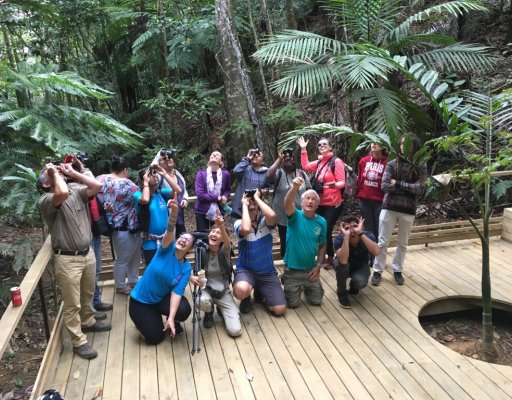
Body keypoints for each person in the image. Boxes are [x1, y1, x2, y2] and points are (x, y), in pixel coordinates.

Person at [38, 161, 111, 360]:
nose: (57, 170)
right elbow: (61, 193)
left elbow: (97, 186)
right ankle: (78, 341)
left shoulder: (75, 190)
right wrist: (54, 173)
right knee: (72, 304)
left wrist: (76, 170)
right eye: (49, 173)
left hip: (87, 253)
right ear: (46, 184)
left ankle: (88, 322)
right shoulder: (46, 200)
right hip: (67, 259)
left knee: (87, 294)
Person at [129, 199, 193, 344]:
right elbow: (169, 231)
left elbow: (177, 293)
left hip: (160, 300)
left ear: (190, 250)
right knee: (155, 338)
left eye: (188, 241)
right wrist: (174, 214)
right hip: (140, 301)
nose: (183, 240)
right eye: (182, 237)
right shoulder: (166, 249)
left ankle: (162, 319)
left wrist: (171, 317)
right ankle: (143, 322)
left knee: (183, 310)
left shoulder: (186, 268)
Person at [371, 134, 427, 286]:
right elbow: (384, 185)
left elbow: (421, 188)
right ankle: (377, 270)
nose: (403, 147)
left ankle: (397, 270)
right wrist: (410, 187)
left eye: (407, 144)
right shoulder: (392, 164)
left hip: (408, 210)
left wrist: (397, 183)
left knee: (402, 243)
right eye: (401, 143)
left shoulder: (420, 166)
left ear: (414, 146)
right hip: (389, 207)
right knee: (382, 241)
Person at [232, 190, 287, 316]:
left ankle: (260, 292)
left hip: (267, 272)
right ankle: (247, 297)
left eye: (254, 202)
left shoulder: (265, 222)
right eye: (249, 200)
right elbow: (246, 229)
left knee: (280, 309)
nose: (251, 202)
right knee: (240, 291)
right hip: (246, 271)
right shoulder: (239, 223)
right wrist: (245, 205)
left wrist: (257, 198)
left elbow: (272, 216)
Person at [189, 215, 242, 337]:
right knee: (200, 300)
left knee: (235, 331)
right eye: (212, 231)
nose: (214, 234)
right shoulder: (202, 251)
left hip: (223, 293)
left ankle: (222, 310)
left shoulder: (224, 252)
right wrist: (191, 277)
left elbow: (227, 243)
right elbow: (190, 269)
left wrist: (221, 225)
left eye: (219, 233)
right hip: (207, 291)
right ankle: (209, 311)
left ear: (222, 238)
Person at [298, 136, 346, 270]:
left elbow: (342, 182)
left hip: (334, 203)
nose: (322, 146)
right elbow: (306, 166)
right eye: (319, 145)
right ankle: (322, 255)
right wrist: (303, 149)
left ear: (330, 147)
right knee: (319, 228)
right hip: (321, 203)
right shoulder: (320, 162)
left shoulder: (336, 162)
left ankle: (330, 256)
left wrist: (334, 185)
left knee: (327, 229)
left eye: (325, 144)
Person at [97, 156, 141, 295]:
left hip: (112, 225)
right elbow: (142, 198)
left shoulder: (100, 179)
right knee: (123, 258)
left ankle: (133, 280)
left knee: (130, 255)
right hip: (126, 225)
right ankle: (121, 285)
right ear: (125, 170)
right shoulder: (128, 184)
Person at [281, 177, 327, 308]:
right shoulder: (294, 215)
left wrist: (318, 266)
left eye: (314, 199)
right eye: (307, 198)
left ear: (317, 205)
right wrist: (295, 187)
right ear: (301, 202)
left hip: (310, 270)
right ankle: (286, 279)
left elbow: (323, 245)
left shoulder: (321, 222)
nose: (310, 201)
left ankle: (304, 287)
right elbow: (287, 202)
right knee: (293, 304)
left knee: (317, 301)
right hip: (292, 269)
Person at [266, 147, 311, 258]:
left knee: (301, 239)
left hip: (301, 215)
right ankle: (286, 262)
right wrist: (279, 159)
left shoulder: (301, 173)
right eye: (285, 157)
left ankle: (301, 260)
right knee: (285, 241)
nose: (288, 158)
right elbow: (269, 175)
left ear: (293, 158)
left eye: (290, 156)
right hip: (283, 217)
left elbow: (309, 190)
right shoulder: (278, 173)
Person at [134, 165, 181, 266]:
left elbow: (178, 190)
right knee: (153, 270)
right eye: (150, 175)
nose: (155, 176)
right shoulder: (138, 195)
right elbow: (145, 200)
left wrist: (164, 174)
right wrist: (145, 183)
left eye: (155, 174)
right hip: (150, 243)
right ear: (143, 179)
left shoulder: (161, 193)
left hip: (166, 240)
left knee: (168, 269)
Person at [333, 216, 380, 308]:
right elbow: (343, 261)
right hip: (344, 266)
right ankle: (341, 292)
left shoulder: (367, 235)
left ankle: (354, 285)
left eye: (355, 226)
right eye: (347, 228)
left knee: (360, 282)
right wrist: (346, 237)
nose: (352, 230)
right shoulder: (339, 239)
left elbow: (376, 252)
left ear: (360, 226)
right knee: (340, 265)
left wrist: (360, 233)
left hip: (360, 266)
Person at [355, 143, 388, 240]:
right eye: (372, 142)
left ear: (383, 146)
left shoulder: (388, 162)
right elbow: (360, 179)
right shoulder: (363, 161)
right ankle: (370, 249)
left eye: (377, 142)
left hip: (380, 200)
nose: (374, 144)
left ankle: (379, 249)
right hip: (364, 199)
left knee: (380, 228)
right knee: (368, 229)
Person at [193, 151, 231, 232]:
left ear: (221, 162)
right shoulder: (201, 174)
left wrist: (225, 196)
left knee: (218, 234)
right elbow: (200, 195)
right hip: (202, 210)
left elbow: (228, 189)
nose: (214, 155)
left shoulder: (225, 174)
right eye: (212, 154)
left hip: (218, 210)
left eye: (217, 155)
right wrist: (218, 198)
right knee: (203, 236)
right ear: (209, 159)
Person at [157, 148, 189, 237]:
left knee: (181, 239)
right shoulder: (158, 177)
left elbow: (184, 189)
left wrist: (185, 199)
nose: (168, 159)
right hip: (166, 215)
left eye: (170, 157)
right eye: (164, 159)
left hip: (179, 214)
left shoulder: (177, 173)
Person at [230, 148, 269, 220]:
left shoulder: (266, 173)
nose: (256, 156)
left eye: (259, 155)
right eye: (254, 155)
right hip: (239, 208)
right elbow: (236, 171)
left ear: (263, 162)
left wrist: (266, 190)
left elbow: (267, 186)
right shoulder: (245, 169)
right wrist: (247, 158)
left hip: (254, 211)